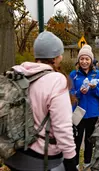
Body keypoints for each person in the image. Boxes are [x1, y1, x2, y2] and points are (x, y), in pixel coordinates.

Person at [4, 31, 77, 170]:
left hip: (14, 152)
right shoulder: (56, 80)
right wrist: (71, 160)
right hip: (41, 158)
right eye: (60, 53)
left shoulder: (18, 73)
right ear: (55, 57)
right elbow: (62, 127)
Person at [69, 45, 99, 169]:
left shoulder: (97, 74)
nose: (84, 61)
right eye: (82, 59)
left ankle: (88, 163)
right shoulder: (73, 74)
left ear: (91, 61)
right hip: (78, 113)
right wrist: (79, 92)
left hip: (93, 113)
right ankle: (76, 164)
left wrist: (94, 89)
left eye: (87, 59)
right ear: (78, 60)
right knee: (76, 140)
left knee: (90, 140)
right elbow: (70, 94)